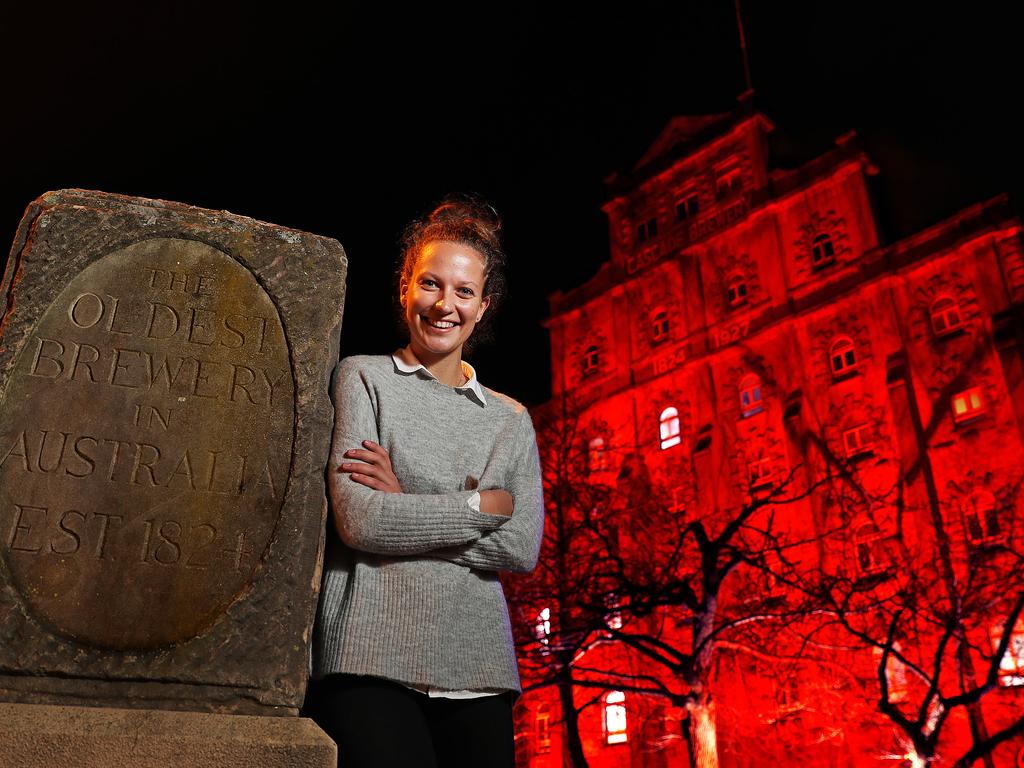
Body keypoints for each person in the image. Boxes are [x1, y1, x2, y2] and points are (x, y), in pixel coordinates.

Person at [307, 196, 544, 768]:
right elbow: (362, 521)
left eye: (464, 292)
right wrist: (482, 503)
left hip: (477, 664)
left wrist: (405, 501)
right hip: (367, 655)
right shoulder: (362, 378)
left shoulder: (509, 418)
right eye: (430, 284)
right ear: (404, 288)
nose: (445, 305)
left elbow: (520, 545)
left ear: (483, 307)